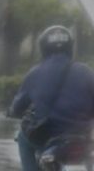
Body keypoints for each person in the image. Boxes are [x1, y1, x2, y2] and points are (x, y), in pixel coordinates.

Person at [8, 25, 94, 170]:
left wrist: (12, 111)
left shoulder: (35, 73)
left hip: (50, 136)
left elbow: (18, 107)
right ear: (70, 47)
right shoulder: (86, 72)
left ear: (43, 48)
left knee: (23, 137)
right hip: (83, 137)